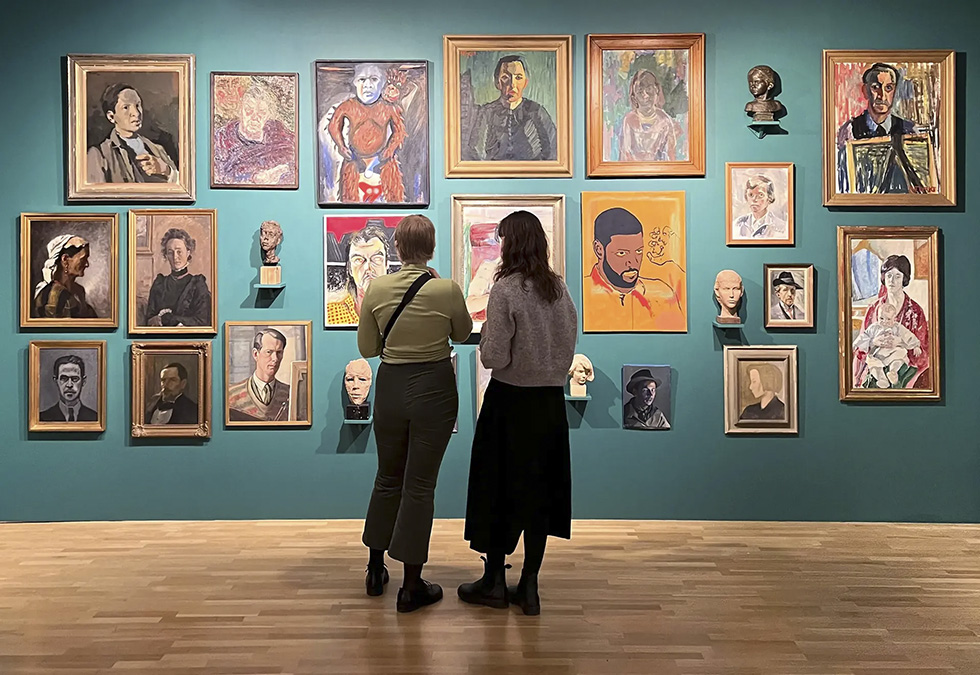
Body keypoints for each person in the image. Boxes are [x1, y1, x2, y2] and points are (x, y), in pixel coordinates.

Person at [458, 210, 577, 616]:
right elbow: (568, 347)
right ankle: (529, 585)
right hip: (549, 405)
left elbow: (494, 356)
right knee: (539, 494)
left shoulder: (506, 289)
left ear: (513, 243)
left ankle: (493, 581)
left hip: (509, 403)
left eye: (504, 239)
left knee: (498, 490)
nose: (501, 246)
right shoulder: (559, 288)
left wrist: (485, 341)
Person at [357, 214, 472, 613]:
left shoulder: (377, 288)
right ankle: (410, 586)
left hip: (391, 386)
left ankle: (375, 570)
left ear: (397, 248)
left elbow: (368, 349)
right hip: (435, 388)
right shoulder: (446, 289)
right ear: (432, 248)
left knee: (387, 477)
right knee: (420, 485)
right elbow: (462, 334)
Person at [584, 207, 684, 331]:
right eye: (622, 253)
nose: (633, 262)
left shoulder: (662, 294)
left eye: (638, 251)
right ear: (599, 249)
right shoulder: (583, 294)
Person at [326, 63, 407, 203]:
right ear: (355, 83)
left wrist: (389, 150)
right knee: (350, 199)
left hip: (383, 161)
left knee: (392, 197)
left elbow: (399, 131)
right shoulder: (348, 106)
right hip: (354, 160)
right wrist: (341, 147)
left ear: (382, 84)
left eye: (374, 79)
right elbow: (333, 125)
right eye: (362, 80)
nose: (367, 85)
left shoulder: (389, 108)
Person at [836, 63, 919, 194]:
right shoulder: (849, 131)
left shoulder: (910, 131)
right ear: (865, 91)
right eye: (875, 87)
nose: (882, 96)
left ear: (895, 91)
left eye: (889, 88)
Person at [852, 254, 930, 389]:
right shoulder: (873, 309)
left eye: (897, 276)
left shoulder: (915, 311)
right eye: (888, 275)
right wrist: (873, 342)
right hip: (875, 367)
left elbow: (924, 353)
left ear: (904, 278)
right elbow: (860, 350)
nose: (892, 280)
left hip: (905, 369)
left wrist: (900, 343)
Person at [465, 55, 557, 162]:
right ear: (497, 83)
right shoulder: (486, 112)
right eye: (505, 78)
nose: (512, 84)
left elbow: (553, 149)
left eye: (518, 78)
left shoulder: (536, 111)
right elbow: (474, 150)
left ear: (525, 82)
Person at [87, 83, 179, 184]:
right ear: (111, 117)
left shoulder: (158, 149)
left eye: (138, 105)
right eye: (126, 107)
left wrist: (167, 170)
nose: (136, 113)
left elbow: (182, 186)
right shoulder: (99, 155)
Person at [213, 82, 296, 185]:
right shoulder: (222, 139)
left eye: (261, 112)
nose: (255, 117)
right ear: (240, 111)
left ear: (268, 115)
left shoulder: (279, 133)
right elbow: (218, 176)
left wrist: (283, 171)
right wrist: (253, 178)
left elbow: (300, 159)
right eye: (249, 110)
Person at [326, 221, 393, 326]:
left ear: (386, 264)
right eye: (358, 260)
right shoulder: (331, 313)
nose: (368, 268)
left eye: (376, 259)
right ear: (349, 269)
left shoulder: (400, 311)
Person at [144, 228, 212, 328]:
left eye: (179, 252)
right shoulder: (159, 284)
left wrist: (174, 320)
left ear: (188, 253)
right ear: (166, 256)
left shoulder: (198, 284)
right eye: (170, 252)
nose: (175, 257)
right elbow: (149, 320)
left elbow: (203, 321)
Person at [227, 329, 291, 422]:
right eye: (269, 352)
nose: (275, 359)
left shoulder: (290, 394)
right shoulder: (231, 394)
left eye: (279, 352)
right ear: (255, 354)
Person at [853, 303, 922, 388]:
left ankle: (893, 372)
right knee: (873, 365)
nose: (884, 321)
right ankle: (882, 379)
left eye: (888, 319)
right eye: (881, 318)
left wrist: (916, 345)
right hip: (878, 354)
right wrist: (856, 344)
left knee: (899, 358)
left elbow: (908, 336)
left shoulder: (898, 327)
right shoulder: (874, 327)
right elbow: (865, 336)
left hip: (894, 352)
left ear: (895, 319)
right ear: (877, 317)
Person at [618, 69, 680, 161]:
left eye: (649, 89)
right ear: (634, 97)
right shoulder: (629, 120)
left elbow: (670, 156)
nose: (646, 95)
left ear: (656, 90)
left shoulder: (665, 120)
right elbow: (624, 155)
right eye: (640, 92)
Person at [32, 234, 97, 319]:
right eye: (83, 259)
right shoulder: (53, 294)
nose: (87, 264)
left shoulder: (79, 291)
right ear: (65, 260)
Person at [39, 354, 97, 422]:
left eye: (75, 379)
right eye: (64, 378)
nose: (69, 385)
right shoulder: (42, 418)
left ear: (83, 381)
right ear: (56, 380)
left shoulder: (95, 418)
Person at [733, 175, 787, 239]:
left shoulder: (780, 226)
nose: (754, 199)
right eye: (751, 195)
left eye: (760, 195)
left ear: (769, 198)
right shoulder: (738, 223)